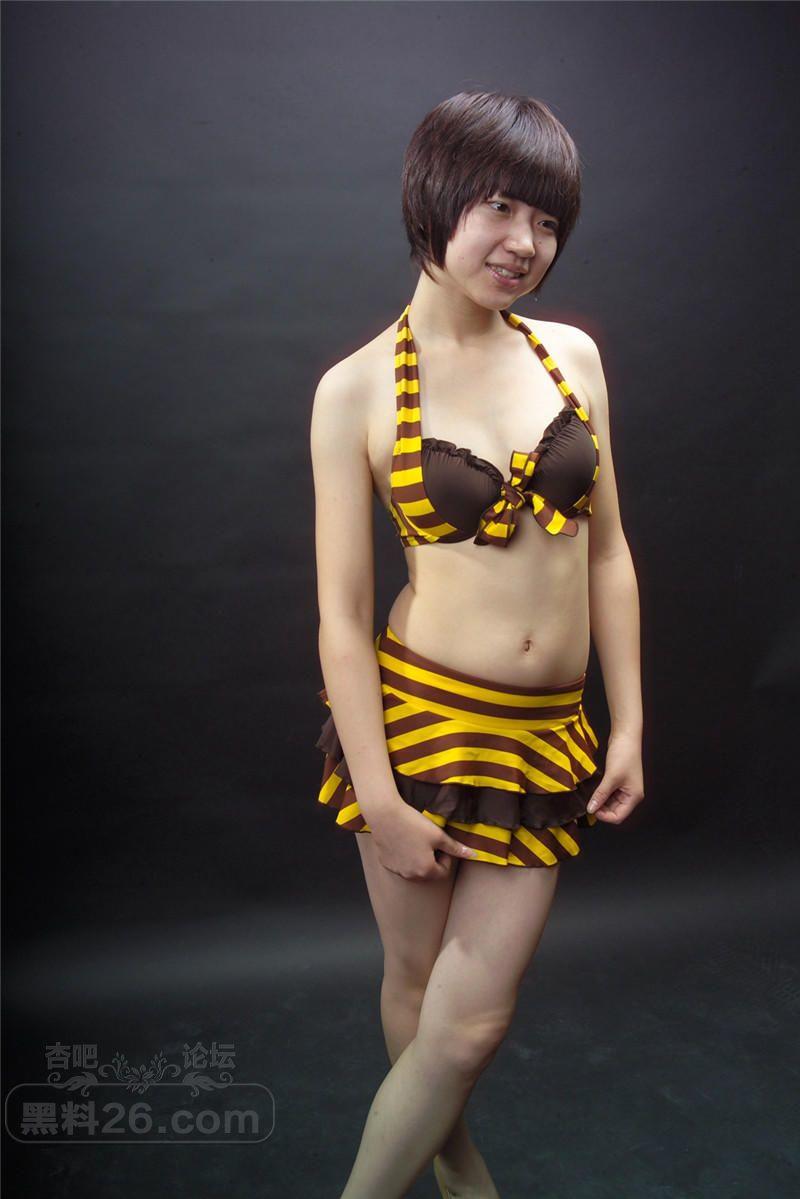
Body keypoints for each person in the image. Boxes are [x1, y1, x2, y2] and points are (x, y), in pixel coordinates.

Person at [310, 89, 644, 1199]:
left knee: (472, 1019)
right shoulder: (356, 389)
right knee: (418, 986)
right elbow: (341, 616)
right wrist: (378, 793)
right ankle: (456, 1174)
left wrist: (628, 723)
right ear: (434, 199)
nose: (524, 243)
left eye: (547, 221)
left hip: (544, 736)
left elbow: (607, 554)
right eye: (499, 207)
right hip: (419, 731)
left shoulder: (570, 357)